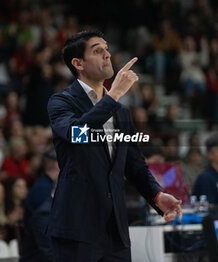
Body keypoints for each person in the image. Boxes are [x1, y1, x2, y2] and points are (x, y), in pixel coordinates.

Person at [47, 30, 182, 262]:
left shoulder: (120, 111)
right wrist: (115, 95)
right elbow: (77, 135)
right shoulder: (62, 101)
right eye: (97, 51)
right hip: (77, 228)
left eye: (107, 49)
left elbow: (135, 165)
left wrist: (156, 195)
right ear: (78, 63)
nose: (107, 55)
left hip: (115, 230)